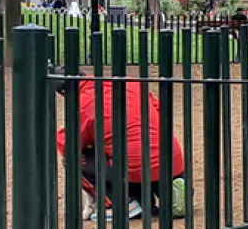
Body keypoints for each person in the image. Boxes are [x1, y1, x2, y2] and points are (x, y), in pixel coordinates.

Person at [55, 77, 187, 221]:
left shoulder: (85, 100)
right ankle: (170, 189)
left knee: (74, 158)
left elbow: (67, 143)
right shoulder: (130, 82)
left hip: (134, 169)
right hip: (170, 160)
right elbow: (159, 108)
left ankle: (123, 203)